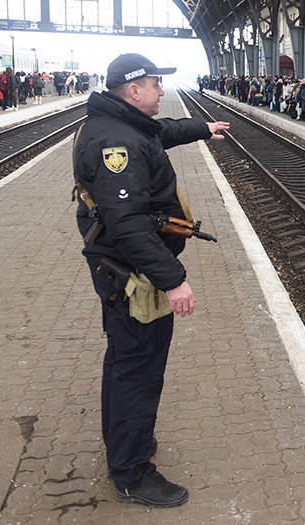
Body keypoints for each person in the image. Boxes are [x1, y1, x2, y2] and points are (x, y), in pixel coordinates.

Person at [73, 53, 229, 507]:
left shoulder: (121, 124)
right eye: (156, 83)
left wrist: (204, 128)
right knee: (138, 371)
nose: (162, 90)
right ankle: (131, 472)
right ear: (133, 89)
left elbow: (163, 133)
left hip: (121, 267)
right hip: (131, 272)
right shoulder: (116, 143)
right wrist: (174, 280)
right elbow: (127, 225)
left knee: (124, 360)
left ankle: (124, 446)